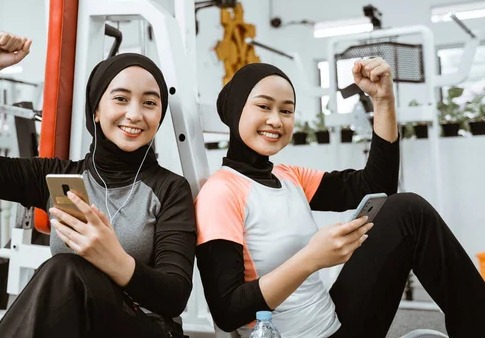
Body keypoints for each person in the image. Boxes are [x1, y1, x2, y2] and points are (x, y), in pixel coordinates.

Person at [194, 59, 485, 338]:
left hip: (335, 322)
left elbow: (377, 186)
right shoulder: (220, 192)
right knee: (407, 208)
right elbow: (227, 311)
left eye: (286, 111)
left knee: (407, 210)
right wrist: (310, 259)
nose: (275, 120)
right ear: (235, 110)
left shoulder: (289, 176)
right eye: (263, 106)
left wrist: (383, 101)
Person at [0, 31, 195, 338]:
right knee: (63, 273)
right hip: (78, 327)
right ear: (96, 110)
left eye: (149, 102)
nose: (135, 114)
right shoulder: (58, 177)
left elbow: (174, 296)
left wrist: (113, 258)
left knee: (64, 268)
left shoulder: (170, 189)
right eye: (121, 99)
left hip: (147, 328)